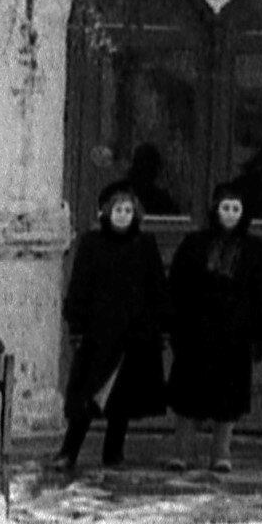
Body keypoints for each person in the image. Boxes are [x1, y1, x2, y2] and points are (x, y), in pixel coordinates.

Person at [165, 181, 262, 474]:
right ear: (215, 210)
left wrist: (261, 334)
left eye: (235, 208)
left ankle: (221, 452)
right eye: (225, 208)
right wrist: (173, 325)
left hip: (234, 333)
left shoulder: (255, 249)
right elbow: (177, 285)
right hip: (196, 330)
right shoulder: (194, 243)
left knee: (229, 397)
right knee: (188, 393)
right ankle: (182, 452)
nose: (230, 214)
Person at [57, 179, 167, 473]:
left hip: (133, 332)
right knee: (86, 395)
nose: (123, 215)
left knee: (123, 397)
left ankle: (114, 452)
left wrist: (158, 325)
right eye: (118, 210)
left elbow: (156, 287)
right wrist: (77, 325)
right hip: (98, 332)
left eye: (128, 211)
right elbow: (80, 285)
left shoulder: (144, 245)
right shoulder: (92, 244)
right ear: (107, 212)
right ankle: (69, 451)